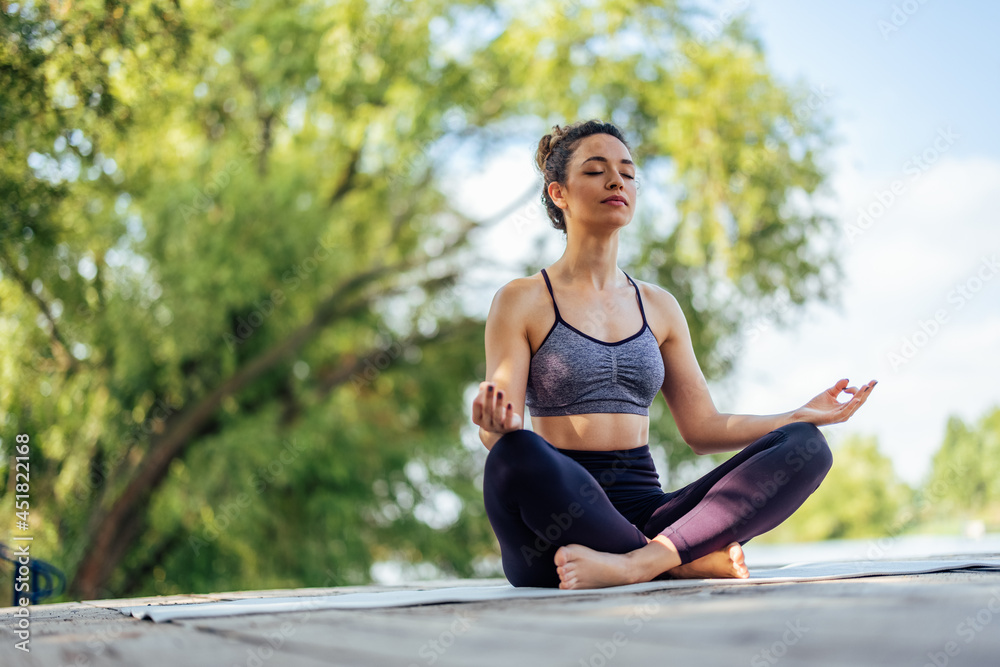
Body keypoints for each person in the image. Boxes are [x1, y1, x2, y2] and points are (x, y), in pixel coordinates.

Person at [470, 119, 877, 590]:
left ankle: (643, 563)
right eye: (596, 170)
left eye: (627, 171)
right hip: (557, 527)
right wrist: (495, 428)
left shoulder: (659, 306)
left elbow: (703, 429)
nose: (616, 181)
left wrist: (797, 414)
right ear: (558, 193)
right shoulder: (521, 299)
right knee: (515, 452)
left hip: (649, 511)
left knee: (804, 445)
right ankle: (678, 560)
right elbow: (496, 423)